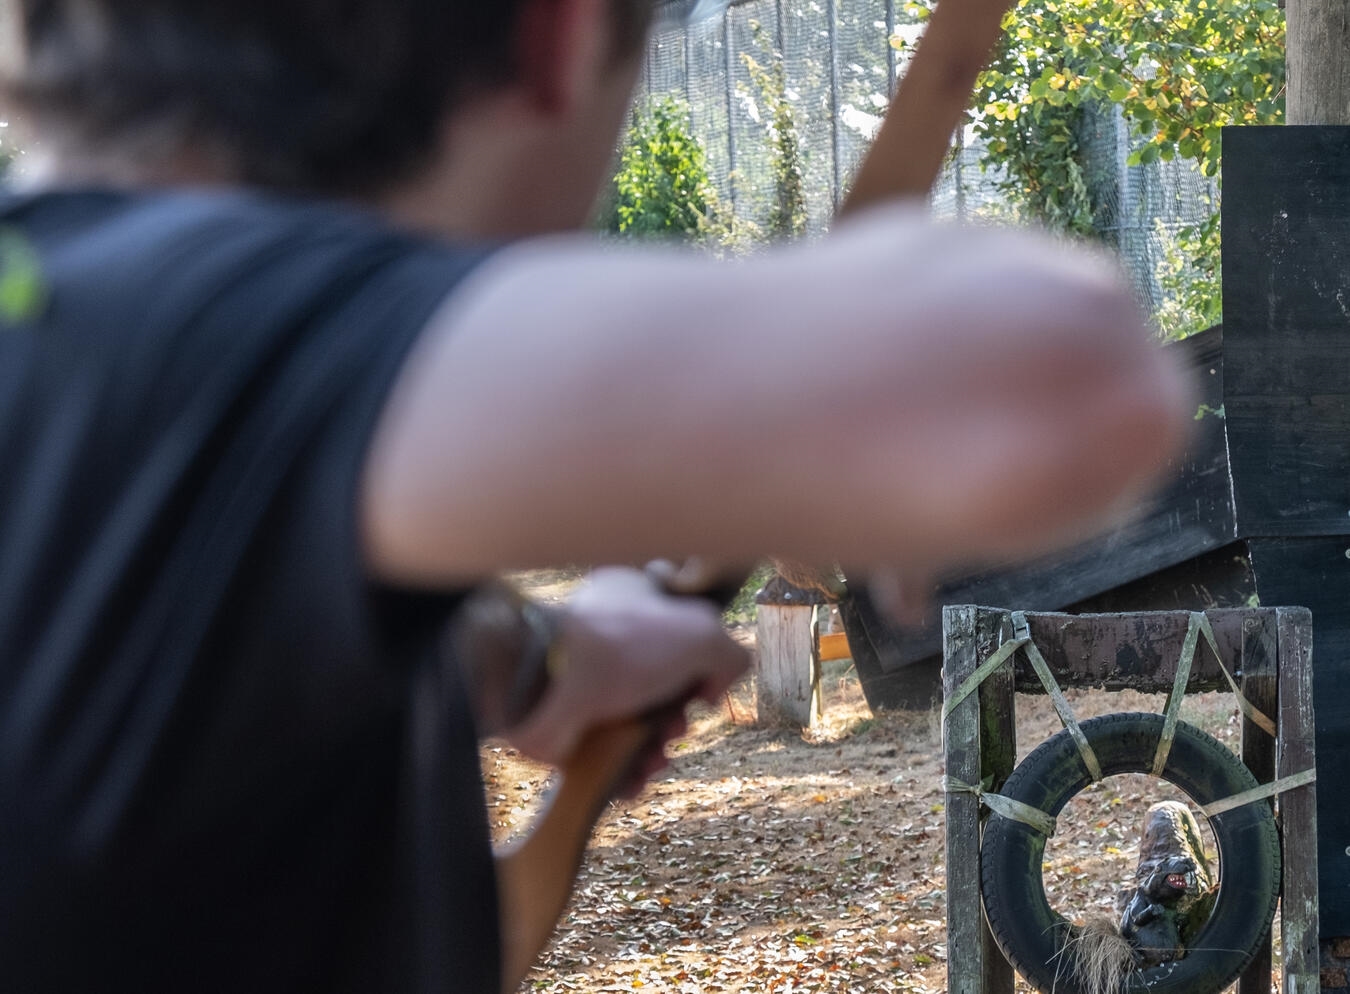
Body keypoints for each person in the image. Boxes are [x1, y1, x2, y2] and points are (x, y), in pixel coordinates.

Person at [0, 1, 1191, 992]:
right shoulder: (226, 341)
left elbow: (162, 620)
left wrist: (536, 657)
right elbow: (1073, 380)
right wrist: (835, 391)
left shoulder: (69, 328)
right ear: (556, 40)